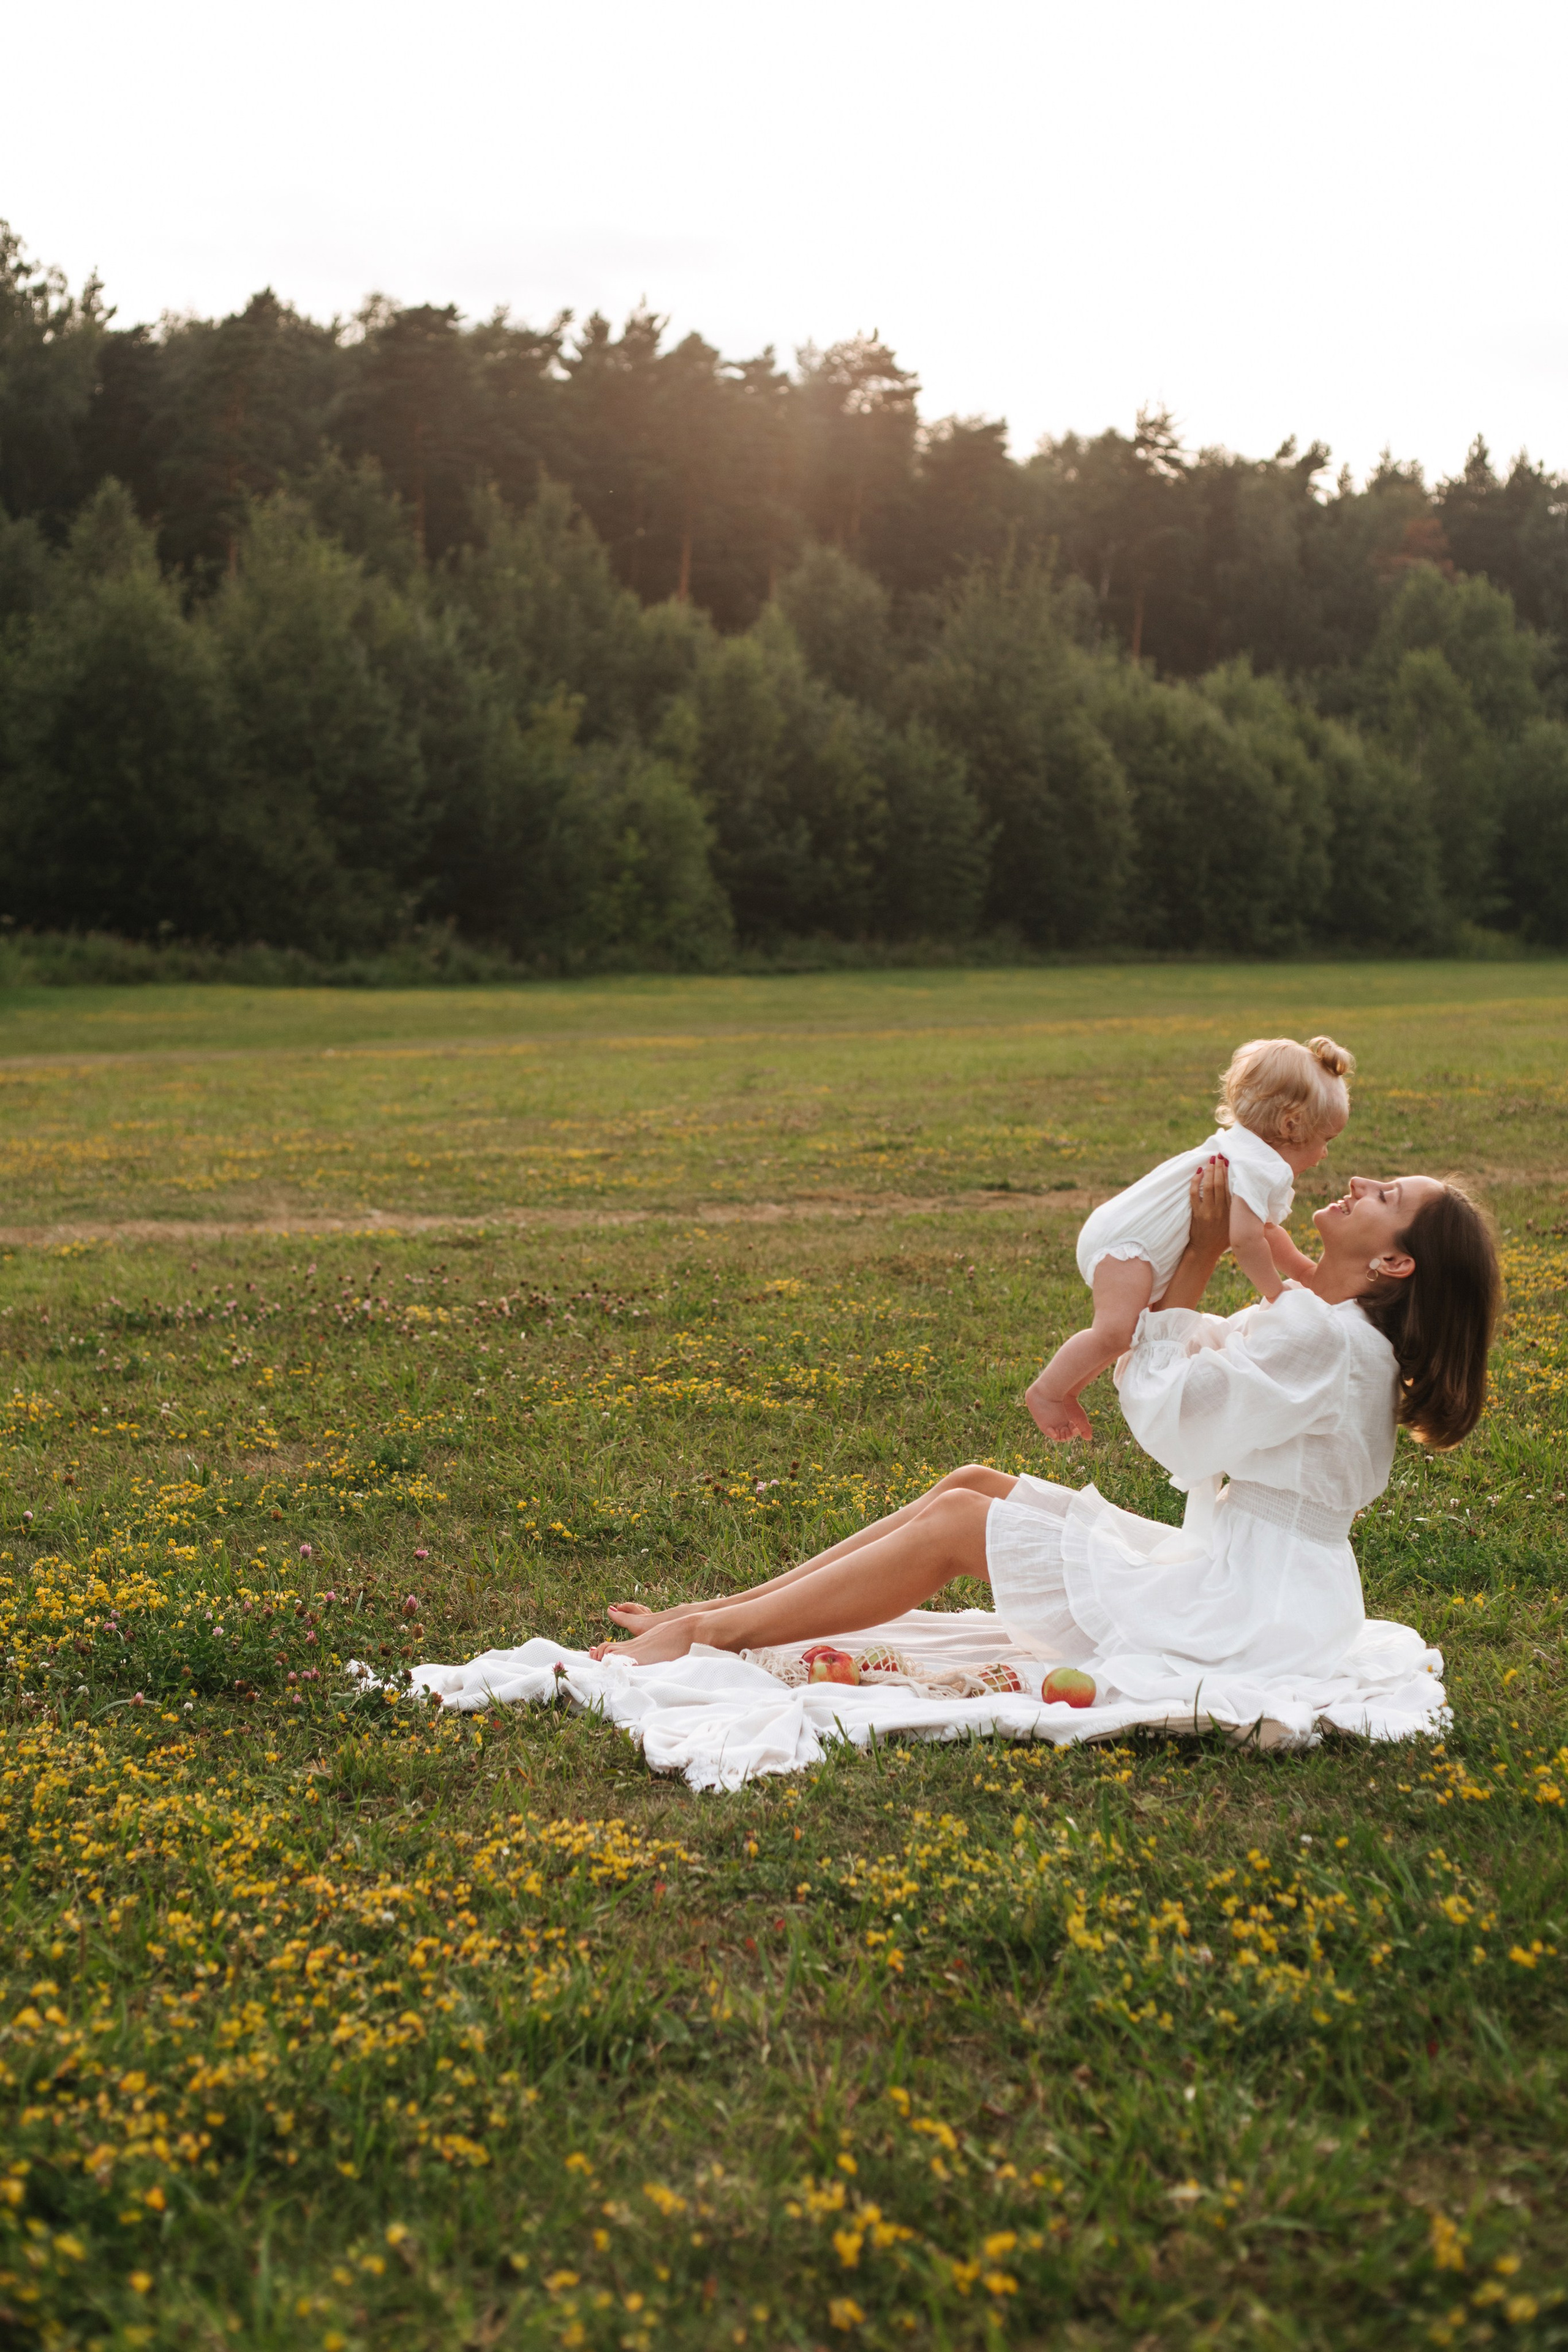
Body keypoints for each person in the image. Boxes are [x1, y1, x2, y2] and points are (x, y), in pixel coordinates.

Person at [591, 1161, 1500, 1703]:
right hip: (1264, 1577)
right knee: (971, 1485)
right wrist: (1213, 1250)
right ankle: (711, 1616)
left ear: (1392, 1260)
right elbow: (1205, 1356)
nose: (1353, 1181)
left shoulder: (1324, 1339)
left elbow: (1182, 1422)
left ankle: (709, 1638)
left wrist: (1196, 1253)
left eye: (1382, 1192)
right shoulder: (1330, 1331)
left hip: (1251, 1609)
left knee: (956, 1529)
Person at [1027, 1035, 1355, 1440]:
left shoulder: (1247, 1152)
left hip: (1124, 1239)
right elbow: (1247, 1240)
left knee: (1126, 1332)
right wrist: (1277, 1293)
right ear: (1291, 1126)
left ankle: (1069, 1389)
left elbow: (1269, 1232)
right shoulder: (1263, 1166)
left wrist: (1305, 1271)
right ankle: (1046, 1391)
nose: (1324, 1154)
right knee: (1114, 1331)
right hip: (1128, 1246)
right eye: (1327, 1140)